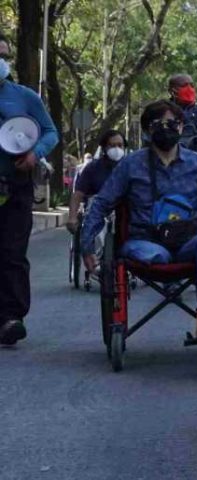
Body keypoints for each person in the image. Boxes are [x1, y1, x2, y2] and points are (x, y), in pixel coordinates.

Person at [81, 100, 197, 339]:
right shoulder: (130, 165)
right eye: (157, 124)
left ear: (181, 127)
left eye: (172, 123)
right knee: (158, 255)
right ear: (148, 130)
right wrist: (86, 245)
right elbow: (101, 203)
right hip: (144, 244)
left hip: (188, 244)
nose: (166, 128)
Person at [0, 34, 59, 345]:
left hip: (14, 186)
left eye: (4, 55)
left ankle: (11, 318)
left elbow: (50, 132)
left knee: (11, 252)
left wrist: (35, 154)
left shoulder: (24, 97)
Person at [66, 130, 126, 234]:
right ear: (104, 148)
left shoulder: (130, 167)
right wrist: (72, 217)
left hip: (124, 212)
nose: (117, 149)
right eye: (112, 145)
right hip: (96, 211)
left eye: (120, 145)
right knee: (92, 236)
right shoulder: (92, 168)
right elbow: (78, 194)